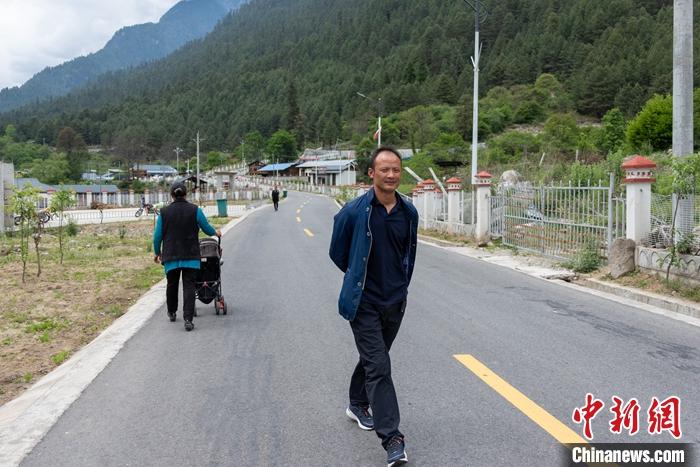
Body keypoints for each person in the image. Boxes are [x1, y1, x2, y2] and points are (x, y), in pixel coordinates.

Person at [329, 146, 418, 467]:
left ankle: (357, 403)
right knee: (379, 365)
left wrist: (400, 287)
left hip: (395, 301)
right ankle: (392, 439)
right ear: (372, 174)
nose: (391, 175)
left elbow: (408, 254)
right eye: (384, 169)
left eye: (396, 169)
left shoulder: (409, 212)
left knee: (374, 357)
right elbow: (337, 252)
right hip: (364, 302)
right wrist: (358, 277)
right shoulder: (354, 212)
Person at [153, 181, 221, 331]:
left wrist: (157, 252)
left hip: (171, 256)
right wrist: (215, 232)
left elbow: (157, 237)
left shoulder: (164, 213)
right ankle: (188, 320)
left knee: (172, 284)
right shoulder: (195, 210)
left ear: (171, 195)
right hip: (191, 255)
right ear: (186, 194)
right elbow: (206, 227)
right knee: (189, 286)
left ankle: (172, 312)